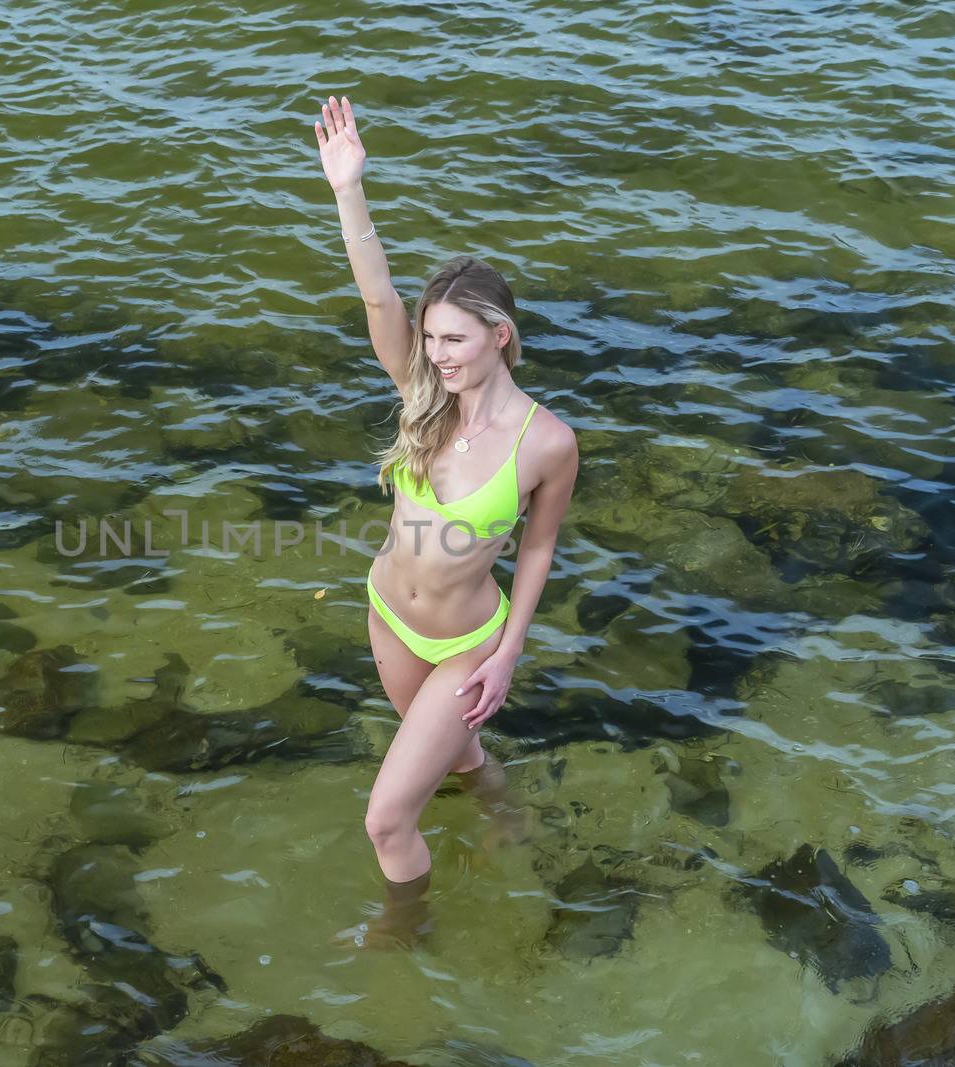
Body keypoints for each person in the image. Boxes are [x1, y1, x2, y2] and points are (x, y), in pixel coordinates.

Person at [314, 94, 580, 946]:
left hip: (465, 644)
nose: (435, 355)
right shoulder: (421, 398)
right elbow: (377, 295)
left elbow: (536, 549)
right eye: (430, 339)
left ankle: (405, 933)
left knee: (388, 819)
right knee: (456, 759)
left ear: (500, 336)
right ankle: (507, 810)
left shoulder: (546, 442)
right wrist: (348, 190)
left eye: (454, 341)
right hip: (388, 616)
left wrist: (509, 653)